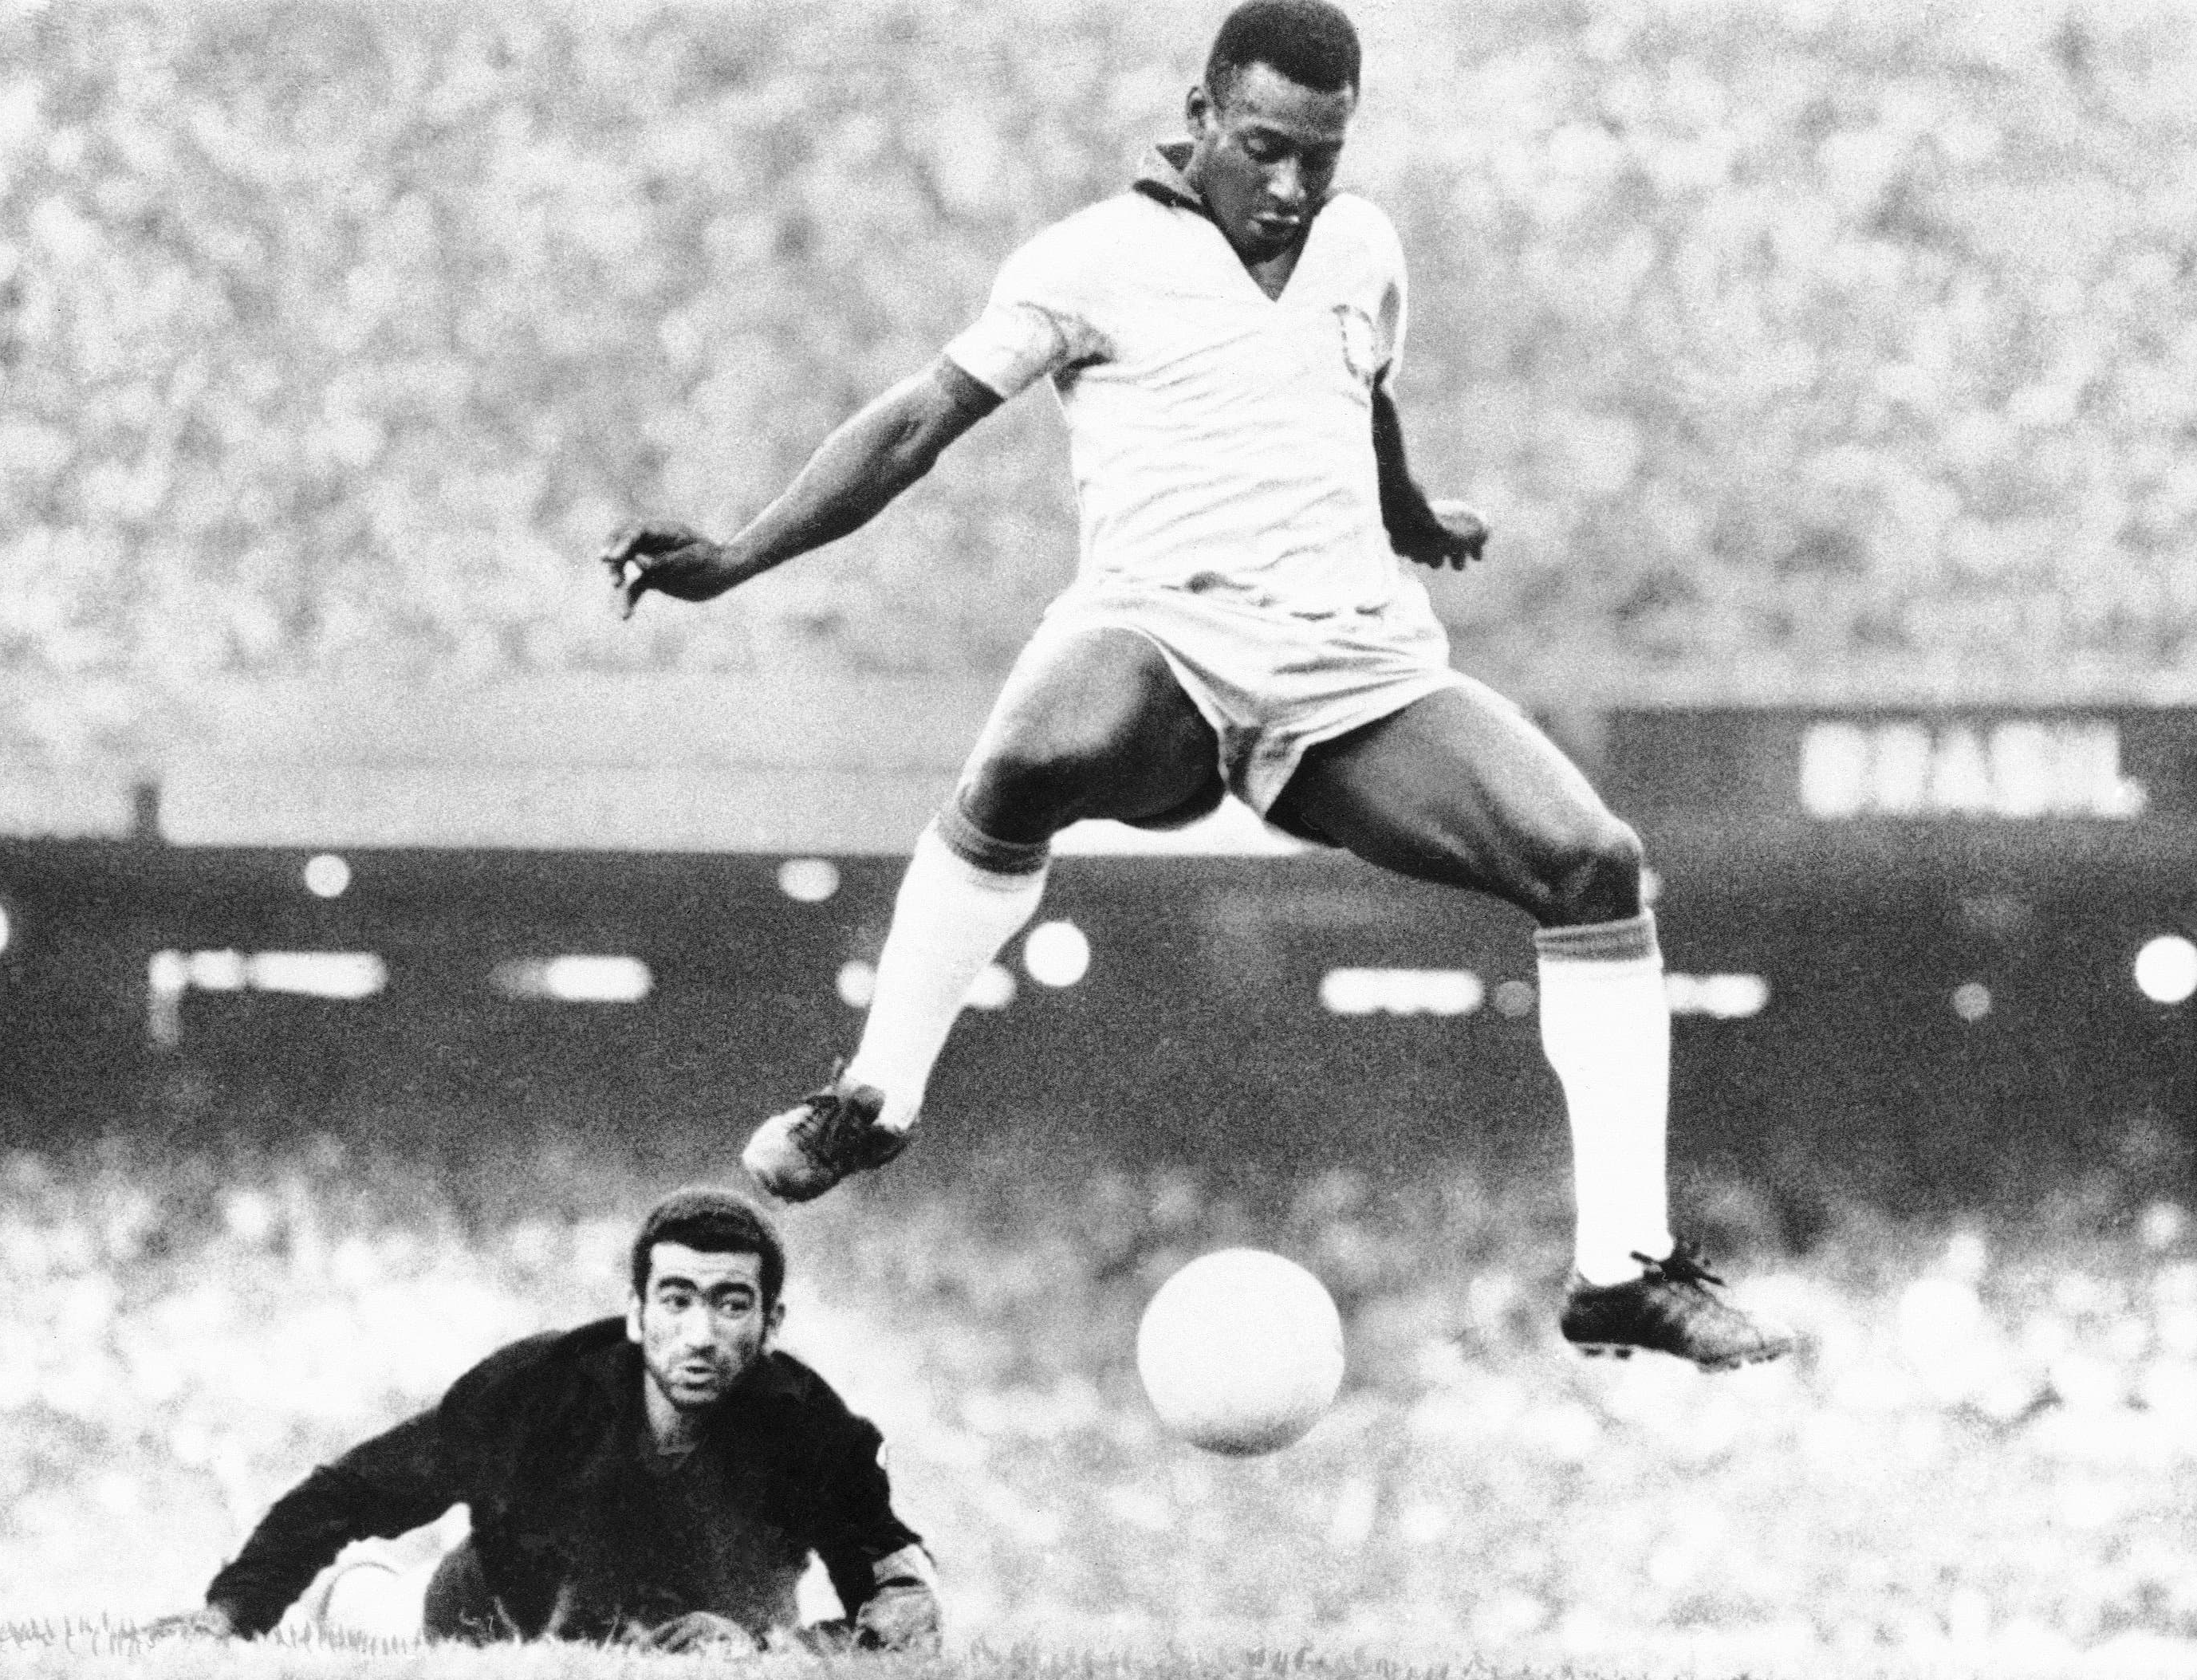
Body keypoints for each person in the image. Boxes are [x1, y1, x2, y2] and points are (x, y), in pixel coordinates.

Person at [603, 0, 1790, 1371]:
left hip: (1348, 670)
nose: (1291, 188)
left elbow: (1362, 387)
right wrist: (739, 556)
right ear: (1204, 109)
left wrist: (1407, 511)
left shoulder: (1360, 246)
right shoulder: (1091, 260)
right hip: (1157, 642)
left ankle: (1618, 1267)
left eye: (1320, 158)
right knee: (1023, 763)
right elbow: (920, 421)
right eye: (1266, 147)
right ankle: (875, 1092)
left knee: (1594, 862)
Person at [146, 1188, 940, 1650]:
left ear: (772, 1321)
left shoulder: (813, 1430)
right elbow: (351, 1490)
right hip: (492, 1611)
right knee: (380, 1616)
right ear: (634, 1313)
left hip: (713, 1633)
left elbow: (899, 1600)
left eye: (731, 1303)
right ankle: (363, 1596)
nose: (701, 1334)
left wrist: (794, 1646)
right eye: (677, 1299)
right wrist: (231, 1612)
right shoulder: (540, 1386)